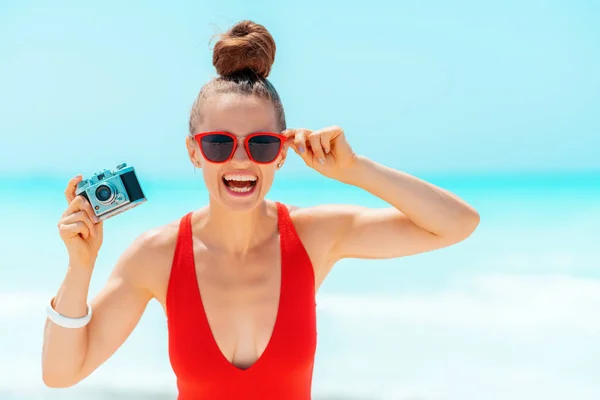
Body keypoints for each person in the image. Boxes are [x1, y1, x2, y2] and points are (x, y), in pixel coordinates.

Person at [41, 20, 480, 400]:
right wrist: (80, 264)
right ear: (195, 152)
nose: (240, 160)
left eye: (261, 144)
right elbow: (60, 373)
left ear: (282, 152)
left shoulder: (314, 236)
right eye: (219, 143)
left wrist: (356, 170)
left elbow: (458, 224)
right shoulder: (156, 255)